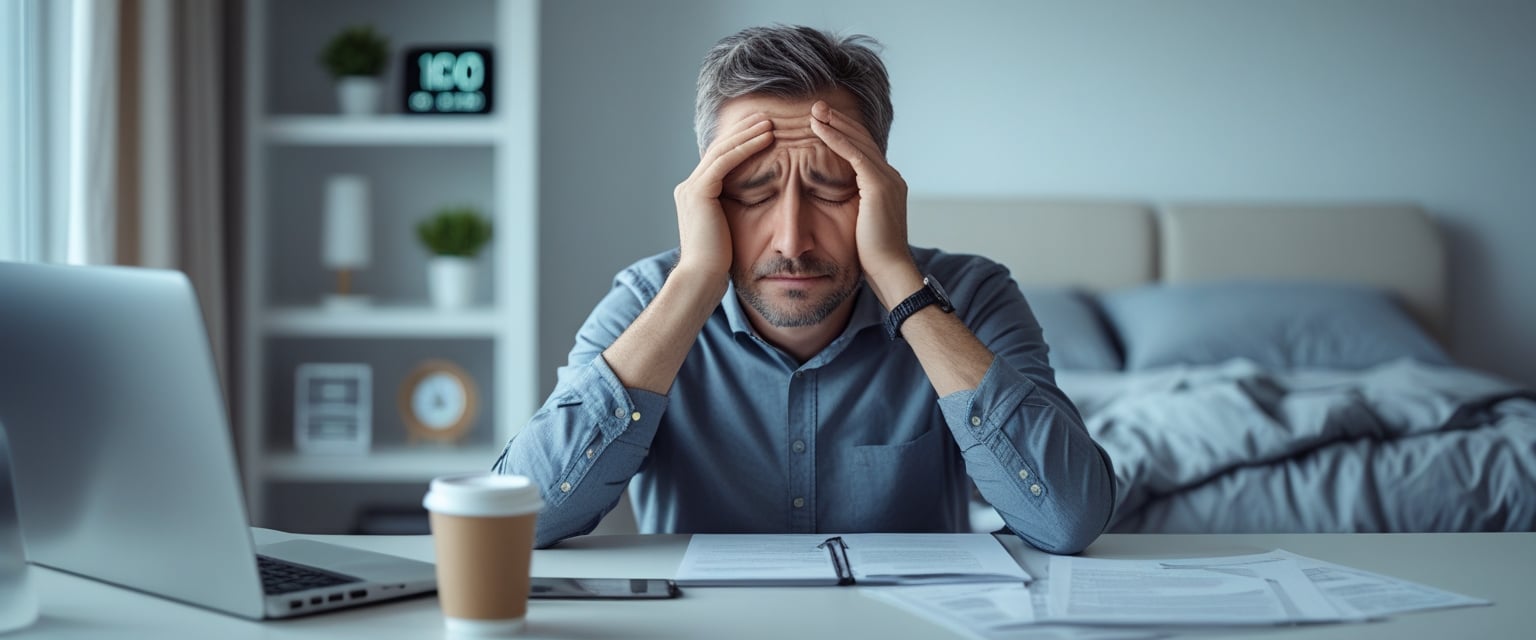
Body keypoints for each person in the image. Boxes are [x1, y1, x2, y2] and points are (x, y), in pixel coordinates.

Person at [495, 25, 1115, 554]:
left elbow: (1067, 519)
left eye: (830, 189)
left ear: (882, 192)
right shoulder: (646, 300)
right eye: (753, 192)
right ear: (707, 200)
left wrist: (900, 277)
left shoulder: (972, 294)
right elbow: (518, 521)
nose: (792, 240)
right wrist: (693, 281)